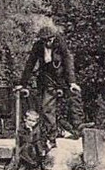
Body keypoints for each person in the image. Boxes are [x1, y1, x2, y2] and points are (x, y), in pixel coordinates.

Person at [17, 24, 83, 153]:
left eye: (49, 40)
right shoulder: (38, 46)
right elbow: (30, 63)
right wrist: (23, 83)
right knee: (47, 108)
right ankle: (51, 139)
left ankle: (78, 126)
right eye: (44, 40)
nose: (47, 42)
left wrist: (72, 82)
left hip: (62, 78)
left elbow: (68, 62)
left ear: (54, 38)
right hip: (47, 79)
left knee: (74, 97)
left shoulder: (61, 44)